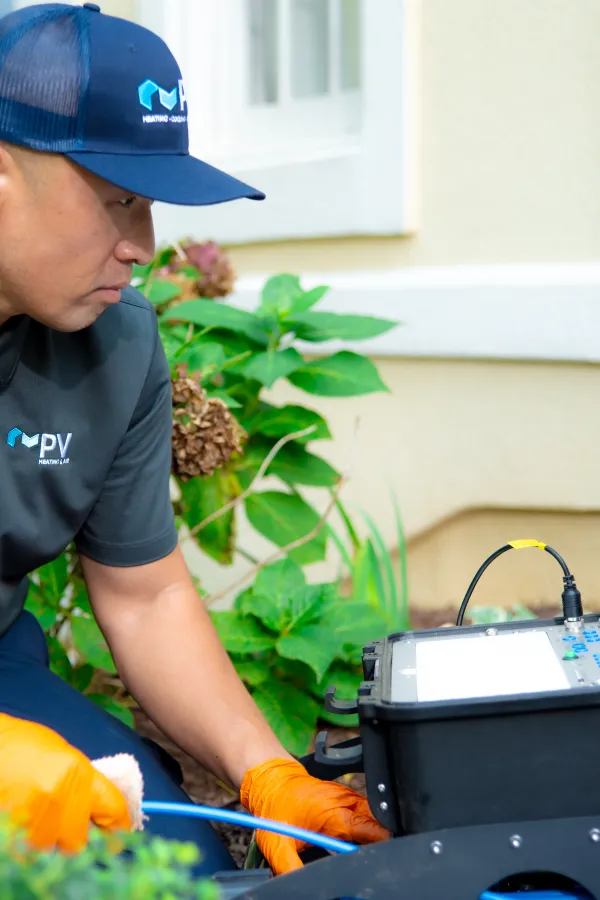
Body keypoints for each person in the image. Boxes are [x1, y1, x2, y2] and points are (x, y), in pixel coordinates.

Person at [0, 1, 388, 878]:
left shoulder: (118, 344)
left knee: (174, 864)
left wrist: (266, 769)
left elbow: (143, 599)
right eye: (116, 201)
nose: (142, 246)